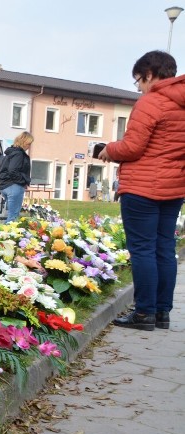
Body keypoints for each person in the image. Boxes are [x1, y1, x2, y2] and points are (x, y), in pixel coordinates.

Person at [99, 50, 185, 331]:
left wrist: (107, 150)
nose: (138, 86)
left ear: (149, 75)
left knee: (143, 249)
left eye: (138, 80)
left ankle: (144, 312)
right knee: (164, 248)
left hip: (143, 188)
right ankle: (162, 313)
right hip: (174, 188)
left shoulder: (151, 102)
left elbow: (132, 148)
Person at [0, 131, 33, 223]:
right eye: (28, 144)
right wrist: (22, 181)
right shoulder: (19, 154)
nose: (29, 146)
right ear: (24, 142)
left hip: (5, 185)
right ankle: (4, 235)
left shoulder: (11, 152)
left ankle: (3, 234)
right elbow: (12, 170)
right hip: (14, 186)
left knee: (11, 215)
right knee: (13, 217)